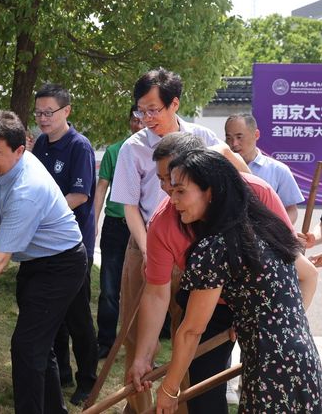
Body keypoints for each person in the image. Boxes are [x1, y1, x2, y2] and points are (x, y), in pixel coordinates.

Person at [127, 132, 293, 414]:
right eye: (163, 180)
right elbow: (156, 294)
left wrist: (277, 317)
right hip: (210, 305)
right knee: (203, 392)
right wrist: (143, 356)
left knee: (266, 389)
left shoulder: (256, 194)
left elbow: (295, 270)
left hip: (261, 306)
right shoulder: (163, 223)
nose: (167, 190)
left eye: (177, 183)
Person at [153, 149, 320, 414]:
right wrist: (269, 324)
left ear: (210, 191)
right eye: (171, 191)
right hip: (304, 361)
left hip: (270, 369)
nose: (173, 200)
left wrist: (169, 389)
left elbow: (191, 330)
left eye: (181, 191)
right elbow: (309, 275)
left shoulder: (215, 247)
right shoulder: (260, 225)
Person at [0, 111, 85, 414]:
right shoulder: (14, 164)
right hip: (37, 262)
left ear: (20, 150)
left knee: (27, 348)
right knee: (37, 347)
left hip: (60, 266)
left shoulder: (27, 190)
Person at [110, 68, 221, 412]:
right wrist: (147, 249)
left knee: (187, 332)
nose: (146, 119)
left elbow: (233, 177)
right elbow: (130, 207)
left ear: (174, 104)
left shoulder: (202, 138)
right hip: (144, 244)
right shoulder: (133, 148)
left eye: (153, 110)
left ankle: (177, 404)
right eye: (140, 111)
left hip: (193, 251)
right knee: (137, 337)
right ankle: (140, 408)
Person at [31, 83, 98, 404]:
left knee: (78, 316)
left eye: (49, 112)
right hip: (46, 245)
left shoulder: (79, 146)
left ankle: (88, 380)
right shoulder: (40, 145)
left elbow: (80, 195)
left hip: (74, 247)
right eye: (38, 113)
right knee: (52, 315)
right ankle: (62, 373)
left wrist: (43, 214)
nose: (43, 119)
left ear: (66, 111)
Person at [94, 105, 144, 359]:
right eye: (135, 119)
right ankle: (105, 341)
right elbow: (102, 187)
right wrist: (94, 222)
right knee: (109, 286)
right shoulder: (115, 151)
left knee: (143, 288)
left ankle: (141, 343)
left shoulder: (155, 150)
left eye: (143, 119)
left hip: (143, 228)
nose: (139, 124)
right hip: (115, 225)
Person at [224, 113, 304, 224]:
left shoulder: (278, 170)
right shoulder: (220, 169)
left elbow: (290, 209)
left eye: (239, 137)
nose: (234, 143)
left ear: (256, 135)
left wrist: (279, 230)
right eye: (229, 138)